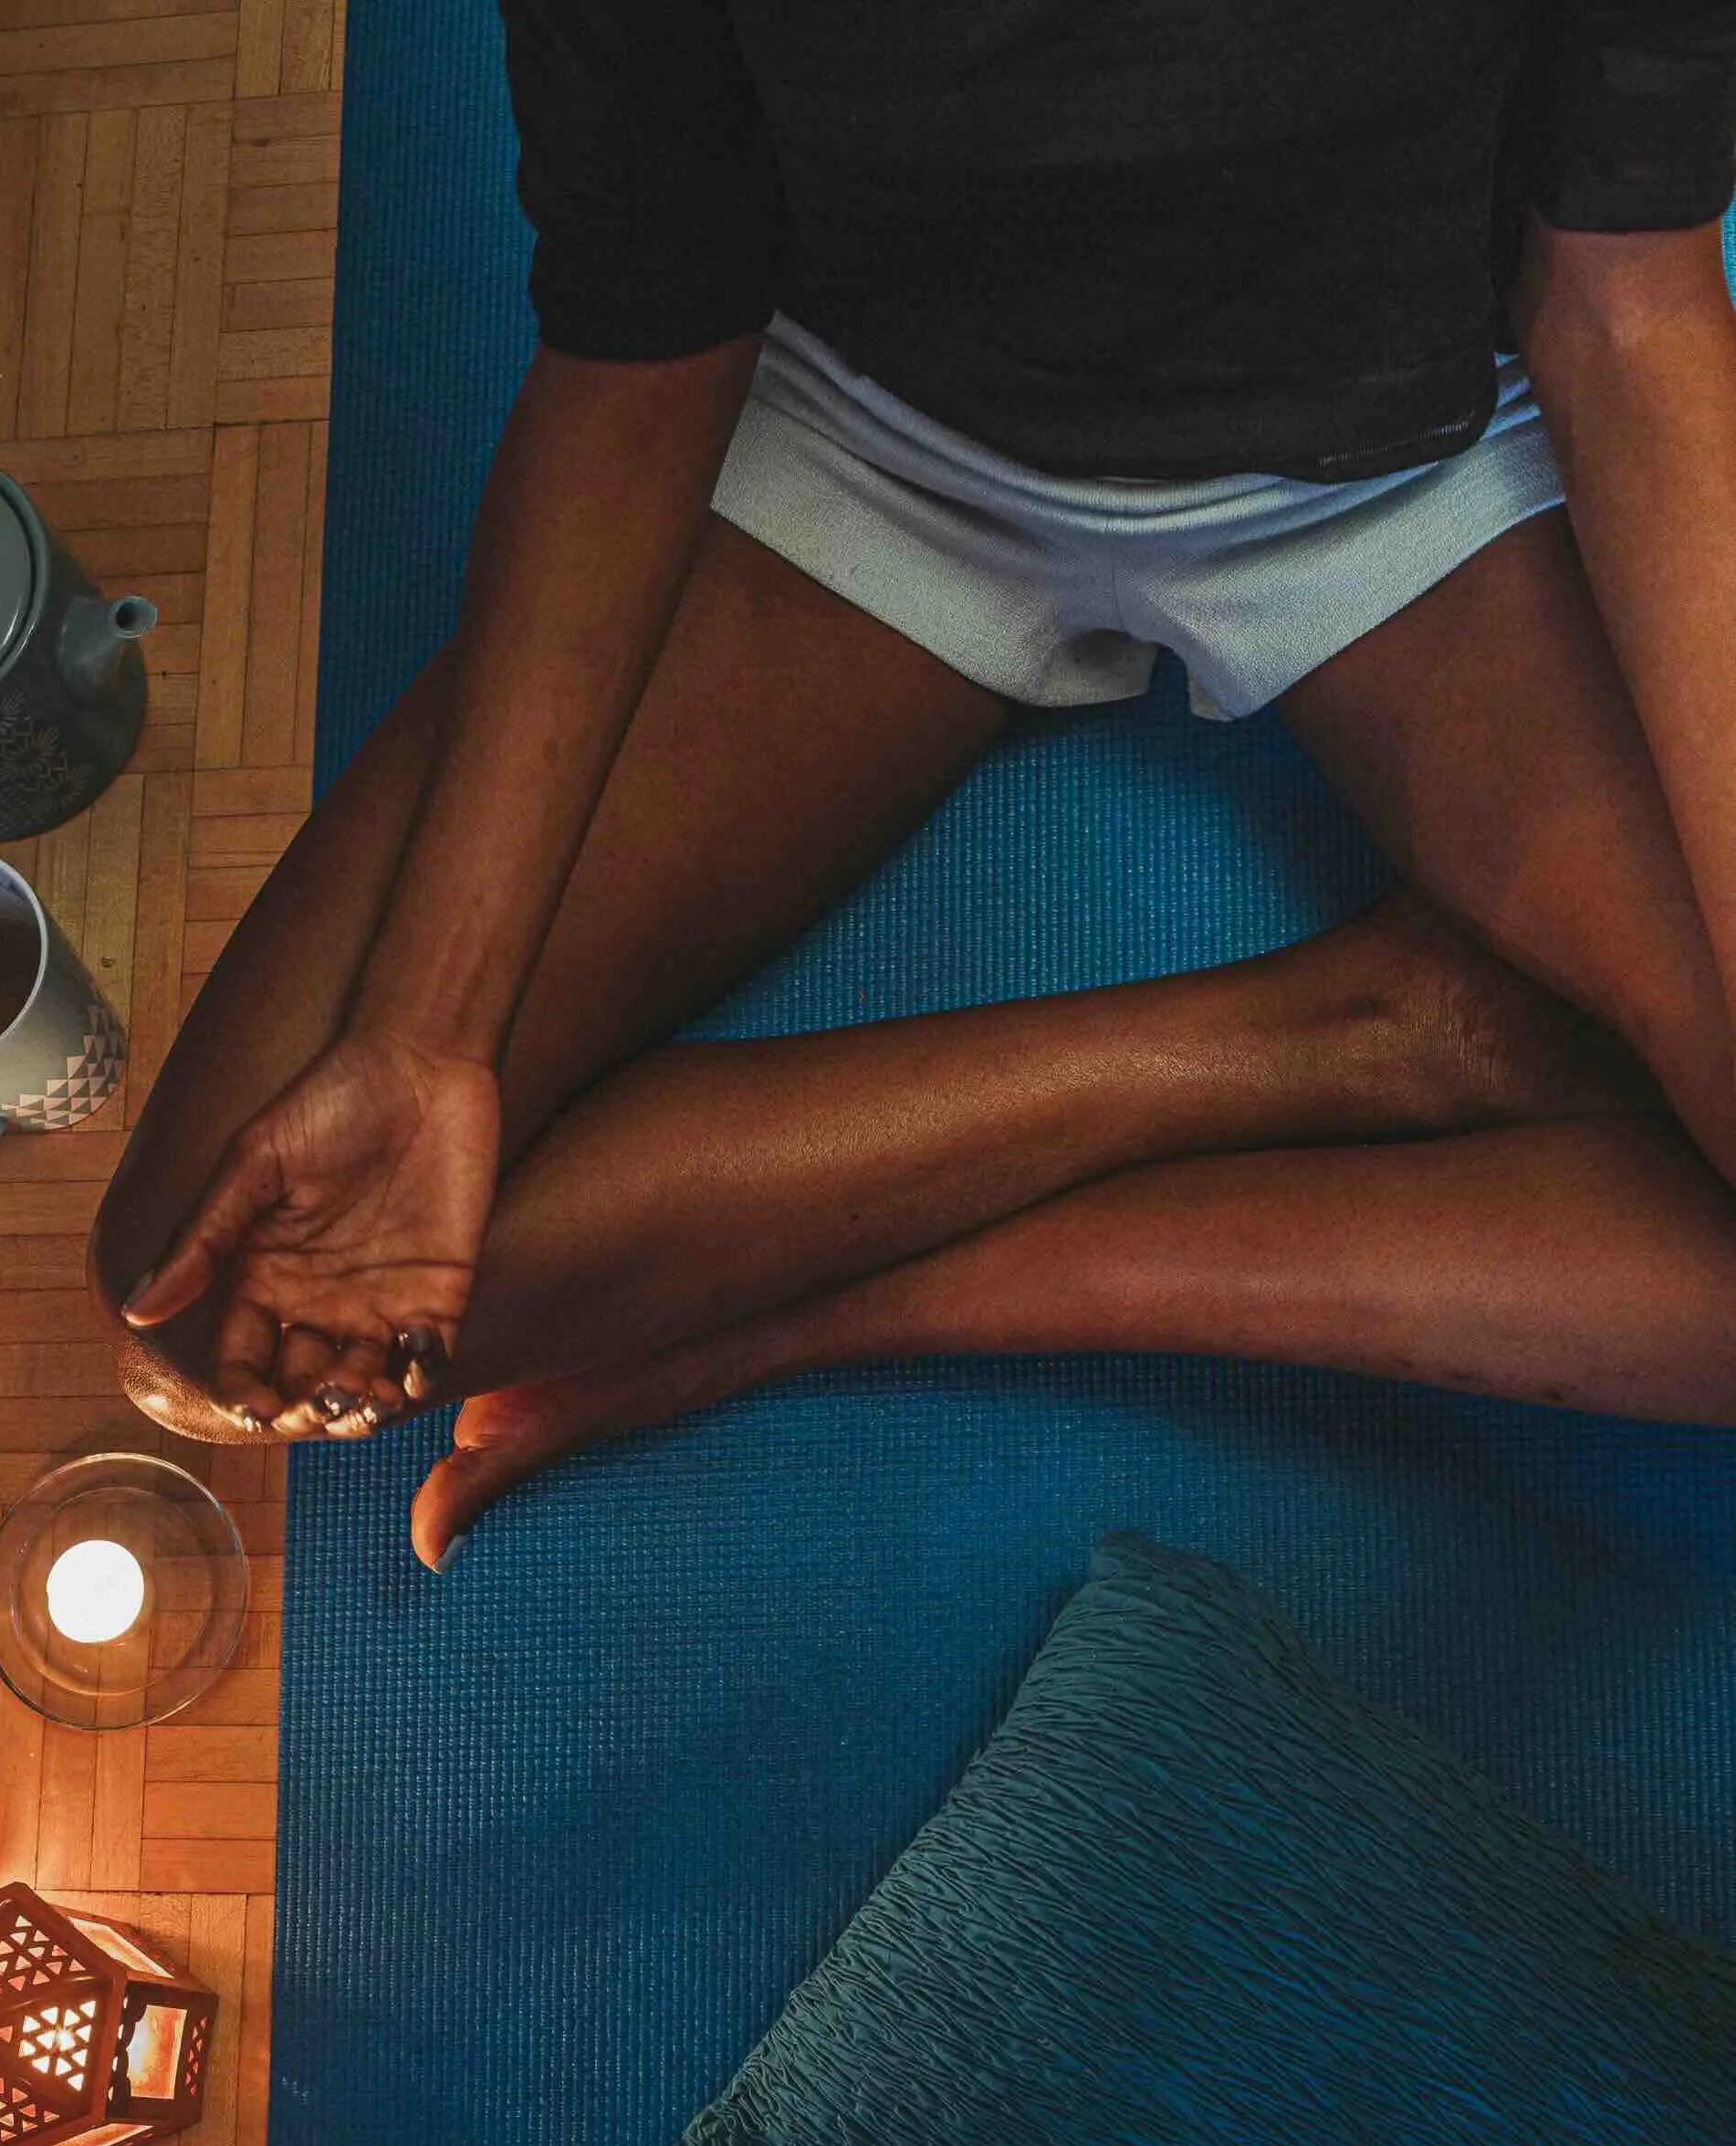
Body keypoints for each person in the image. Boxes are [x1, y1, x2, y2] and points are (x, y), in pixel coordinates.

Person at [91, 2, 1736, 1574]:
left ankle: (873, 1297)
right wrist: (422, 1030)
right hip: (872, 444)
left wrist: (774, 1308)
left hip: (1423, 463)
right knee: (217, 1303)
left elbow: (1629, 301)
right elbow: (645, 323)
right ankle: (1365, 1030)